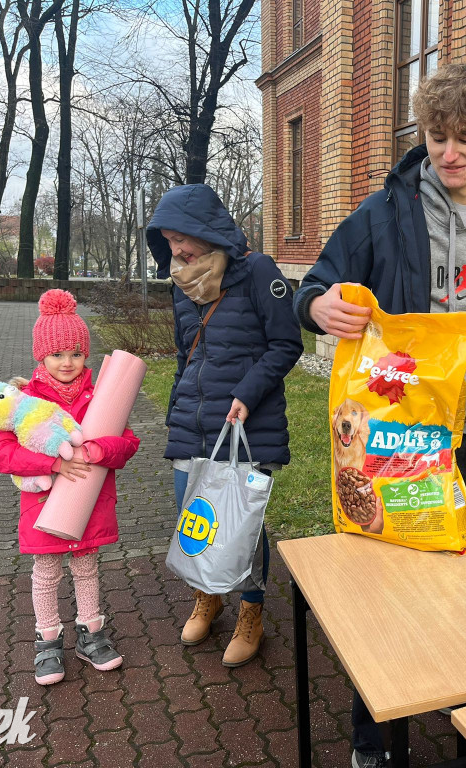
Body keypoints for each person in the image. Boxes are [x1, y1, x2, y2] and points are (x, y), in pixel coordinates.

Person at [292, 63, 466, 768]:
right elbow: (316, 283)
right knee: (387, 597)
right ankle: (374, 742)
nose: (450, 153)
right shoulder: (385, 214)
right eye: (436, 136)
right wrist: (316, 307)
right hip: (398, 438)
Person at [147, 183, 303, 668]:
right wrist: (177, 405)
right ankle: (207, 597)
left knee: (239, 526)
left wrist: (247, 393)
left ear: (205, 229)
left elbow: (286, 343)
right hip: (191, 427)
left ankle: (251, 611)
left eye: (181, 238)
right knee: (194, 521)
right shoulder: (181, 286)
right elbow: (183, 355)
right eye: (167, 241)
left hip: (244, 427)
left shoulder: (257, 271)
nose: (176, 250)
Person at [0, 289, 140, 686]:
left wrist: (96, 449)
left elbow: (127, 443)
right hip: (44, 507)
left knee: (87, 569)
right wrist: (52, 461)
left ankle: (91, 635)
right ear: (41, 357)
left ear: (86, 354)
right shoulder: (25, 402)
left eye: (75, 353)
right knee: (46, 572)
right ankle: (48, 643)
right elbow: (0, 455)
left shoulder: (103, 396)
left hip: (90, 506)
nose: (67, 362)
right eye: (57, 355)